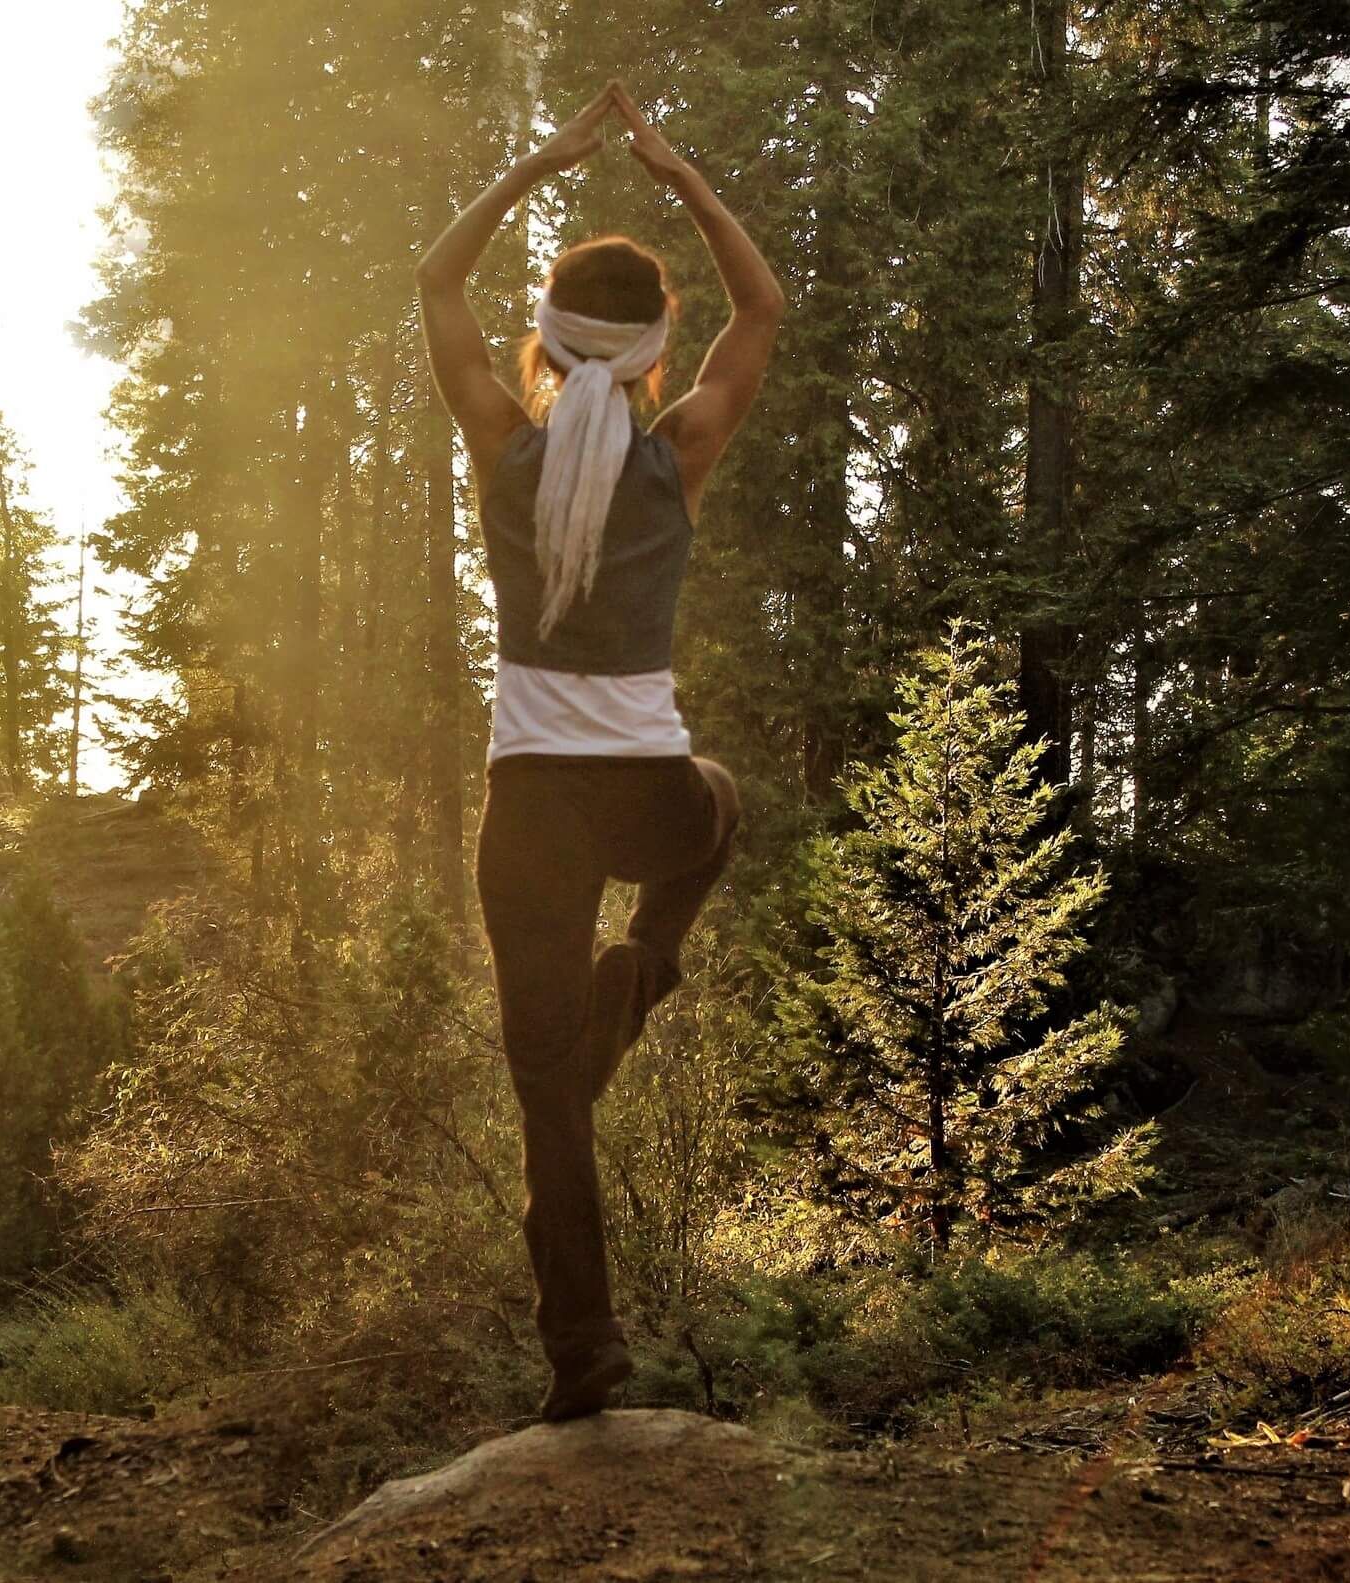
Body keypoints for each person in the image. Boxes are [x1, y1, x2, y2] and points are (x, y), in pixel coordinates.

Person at [416, 81, 784, 1421]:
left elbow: (435, 278)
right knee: (724, 801)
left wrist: (535, 163)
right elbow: (759, 313)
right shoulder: (677, 450)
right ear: (648, 354)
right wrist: (671, 168)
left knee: (549, 1112)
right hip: (647, 805)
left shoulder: (502, 444)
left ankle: (586, 1361)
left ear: (549, 344)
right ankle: (650, 971)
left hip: (528, 817)